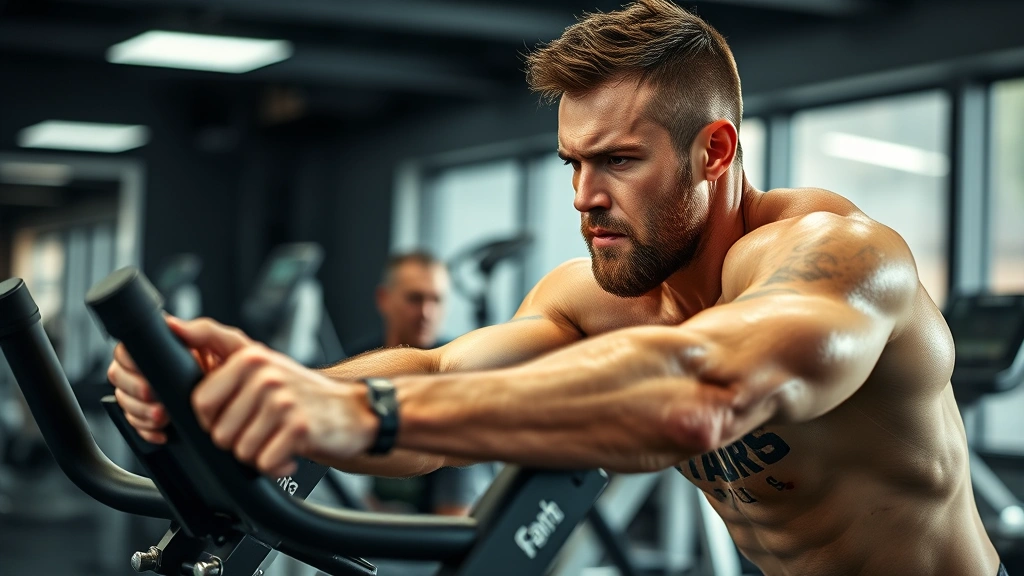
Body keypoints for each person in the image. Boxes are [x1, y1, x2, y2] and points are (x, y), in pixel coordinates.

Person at [107, 1, 1005, 574]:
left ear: (716, 151)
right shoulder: (597, 296)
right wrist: (231, 393)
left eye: (618, 161)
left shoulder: (843, 257)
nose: (585, 197)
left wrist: (356, 416)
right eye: (573, 163)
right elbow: (439, 382)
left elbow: (706, 389)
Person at [348, 251, 493, 517]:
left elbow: (453, 516)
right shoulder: (356, 365)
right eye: (415, 299)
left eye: (436, 300)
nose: (426, 312)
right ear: (384, 299)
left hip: (427, 534)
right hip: (358, 516)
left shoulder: (457, 372)